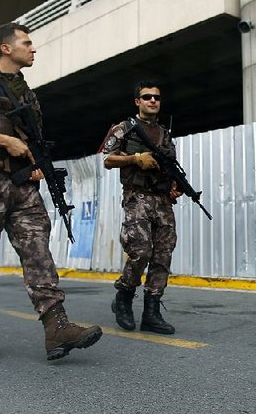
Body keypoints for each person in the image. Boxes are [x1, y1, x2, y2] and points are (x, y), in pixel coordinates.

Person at [0, 22, 102, 361]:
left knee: (38, 252)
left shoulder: (28, 95)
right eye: (27, 43)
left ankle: (56, 327)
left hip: (22, 185)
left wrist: (36, 164)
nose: (33, 49)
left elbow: (31, 142)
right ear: (6, 48)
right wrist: (4, 140)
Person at [102, 81, 183, 334]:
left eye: (156, 97)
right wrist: (135, 158)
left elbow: (172, 166)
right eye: (146, 97)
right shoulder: (124, 128)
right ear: (137, 101)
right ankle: (123, 299)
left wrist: (176, 186)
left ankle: (151, 313)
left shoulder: (164, 134)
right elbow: (107, 159)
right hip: (137, 198)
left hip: (162, 201)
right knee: (141, 252)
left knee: (163, 256)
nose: (152, 101)